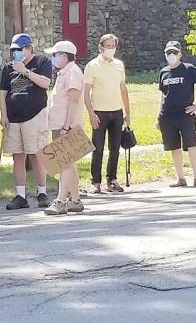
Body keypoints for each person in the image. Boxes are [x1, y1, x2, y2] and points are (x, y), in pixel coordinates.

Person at [0, 33, 52, 210]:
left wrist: (26, 72)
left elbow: (45, 83)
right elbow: (3, 93)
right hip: (14, 117)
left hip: (34, 114)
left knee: (36, 154)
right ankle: (20, 195)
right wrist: (4, 115)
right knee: (18, 156)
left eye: (19, 50)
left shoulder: (41, 62)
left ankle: (42, 192)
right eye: (13, 50)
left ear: (29, 48)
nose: (16, 53)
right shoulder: (8, 68)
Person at [157, 41, 196, 188]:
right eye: (168, 53)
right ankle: (180, 178)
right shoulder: (163, 72)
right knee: (174, 147)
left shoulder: (189, 69)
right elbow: (162, 95)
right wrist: (158, 116)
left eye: (174, 52)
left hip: (185, 114)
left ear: (180, 54)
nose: (171, 55)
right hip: (167, 116)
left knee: (191, 144)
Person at [84, 34, 131, 194]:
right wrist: (91, 113)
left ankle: (112, 179)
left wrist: (127, 112)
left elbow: (123, 89)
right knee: (97, 148)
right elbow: (86, 92)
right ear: (101, 47)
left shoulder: (119, 65)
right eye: (108, 46)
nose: (111, 49)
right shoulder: (92, 66)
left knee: (115, 148)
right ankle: (95, 182)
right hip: (99, 112)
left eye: (113, 46)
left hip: (116, 111)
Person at [43, 41, 85, 215]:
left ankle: (60, 200)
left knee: (64, 163)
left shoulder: (73, 72)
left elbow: (73, 101)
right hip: (60, 123)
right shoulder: (64, 73)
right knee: (68, 163)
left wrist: (67, 126)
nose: (53, 58)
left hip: (66, 125)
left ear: (64, 56)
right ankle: (75, 199)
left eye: (55, 55)